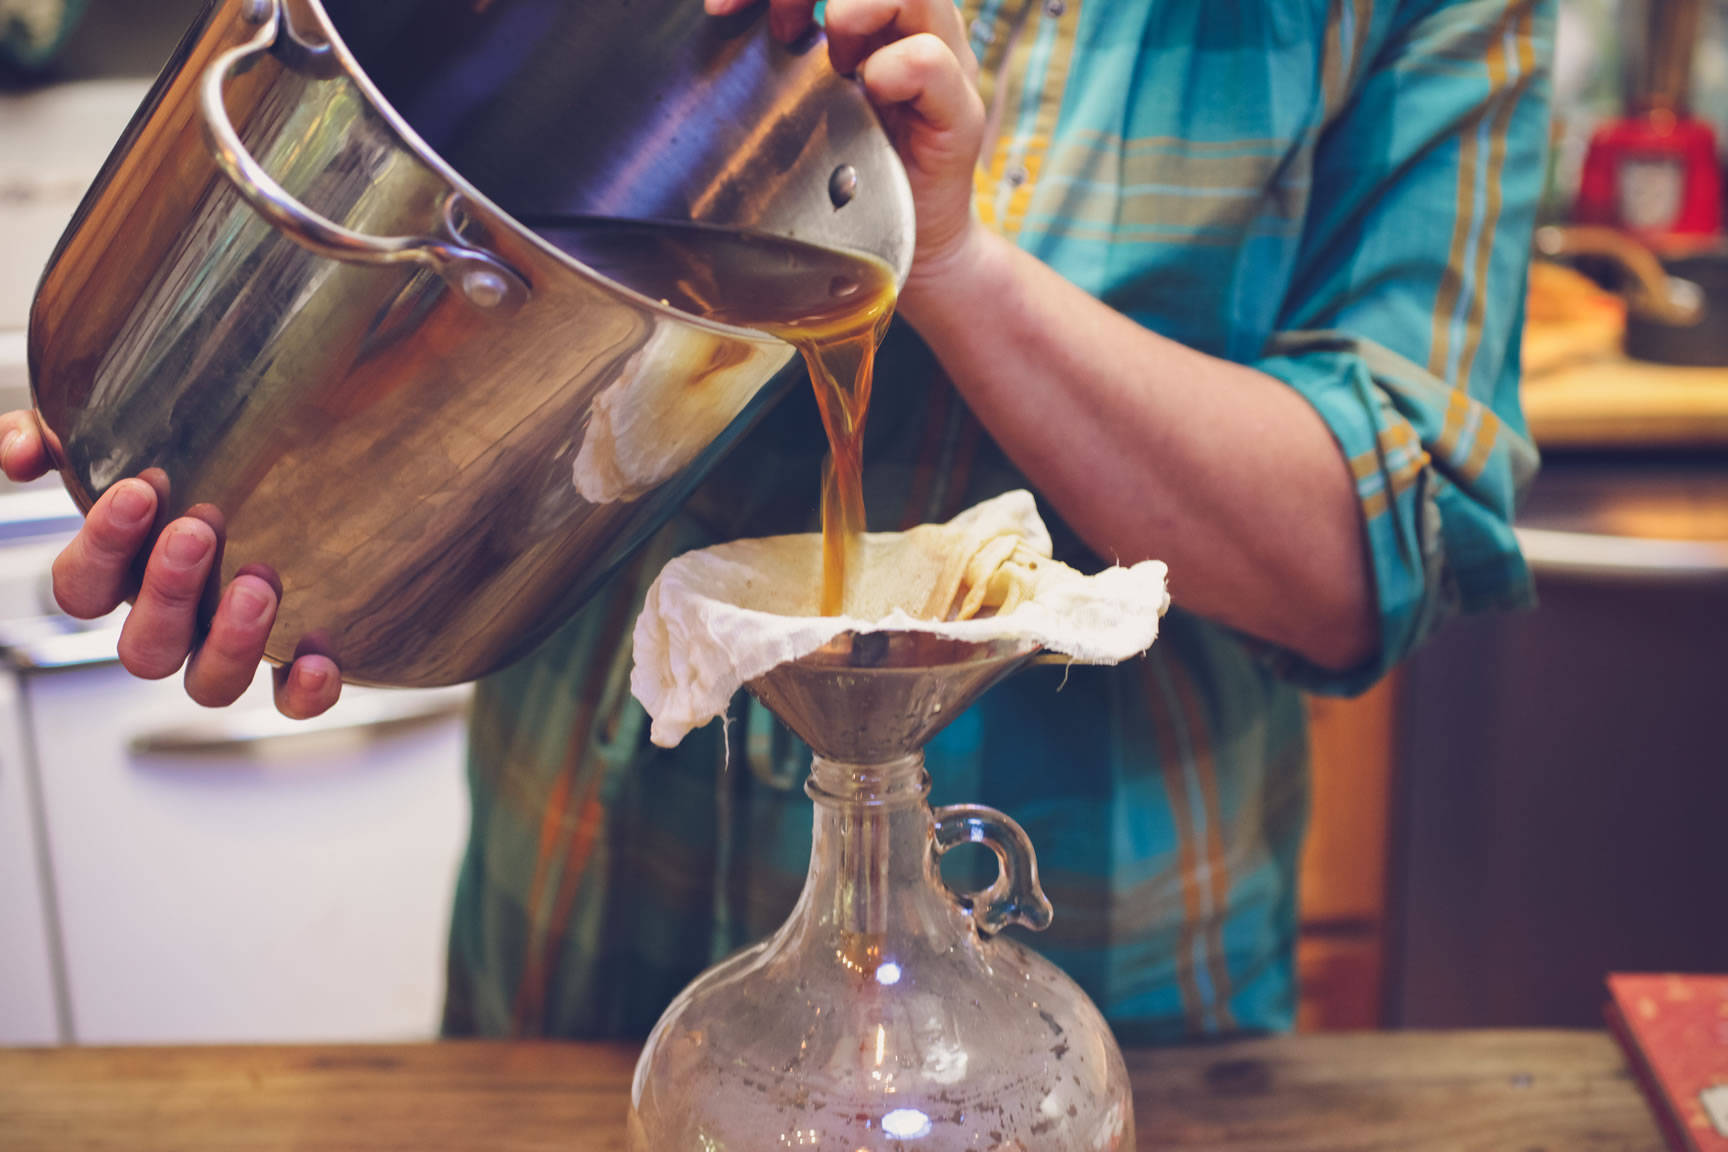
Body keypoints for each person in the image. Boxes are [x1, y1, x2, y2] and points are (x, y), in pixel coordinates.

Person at [0, 0, 1551, 1043]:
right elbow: (424, 161)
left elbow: (1380, 550)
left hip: (1104, 1009)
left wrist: (948, 263)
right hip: (579, 988)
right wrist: (234, 433)